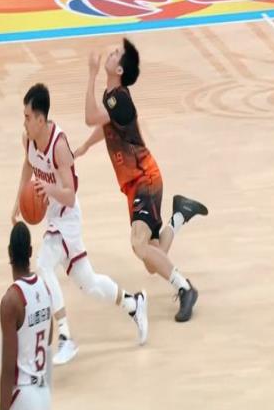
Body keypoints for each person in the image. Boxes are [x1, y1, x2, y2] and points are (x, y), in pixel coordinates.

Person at [11, 83, 147, 366]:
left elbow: (70, 196)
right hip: (54, 216)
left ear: (40, 119)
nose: (24, 122)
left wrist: (47, 190)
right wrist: (17, 203)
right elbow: (28, 164)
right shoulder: (29, 139)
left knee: (44, 265)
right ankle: (134, 304)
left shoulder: (59, 147)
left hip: (67, 218)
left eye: (27, 117)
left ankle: (65, 337)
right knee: (89, 283)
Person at [75, 38, 208, 322]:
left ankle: (185, 288)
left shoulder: (119, 99)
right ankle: (179, 216)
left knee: (138, 245)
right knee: (151, 260)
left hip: (144, 178)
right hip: (136, 183)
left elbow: (90, 117)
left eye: (116, 53)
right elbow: (105, 125)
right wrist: (86, 146)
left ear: (119, 70)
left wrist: (91, 73)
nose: (111, 52)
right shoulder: (112, 97)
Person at [0, 221, 52, 410]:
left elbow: (8, 369)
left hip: (23, 394)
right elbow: (48, 339)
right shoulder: (45, 288)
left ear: (9, 252)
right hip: (43, 392)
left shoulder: (11, 300)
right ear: (30, 251)